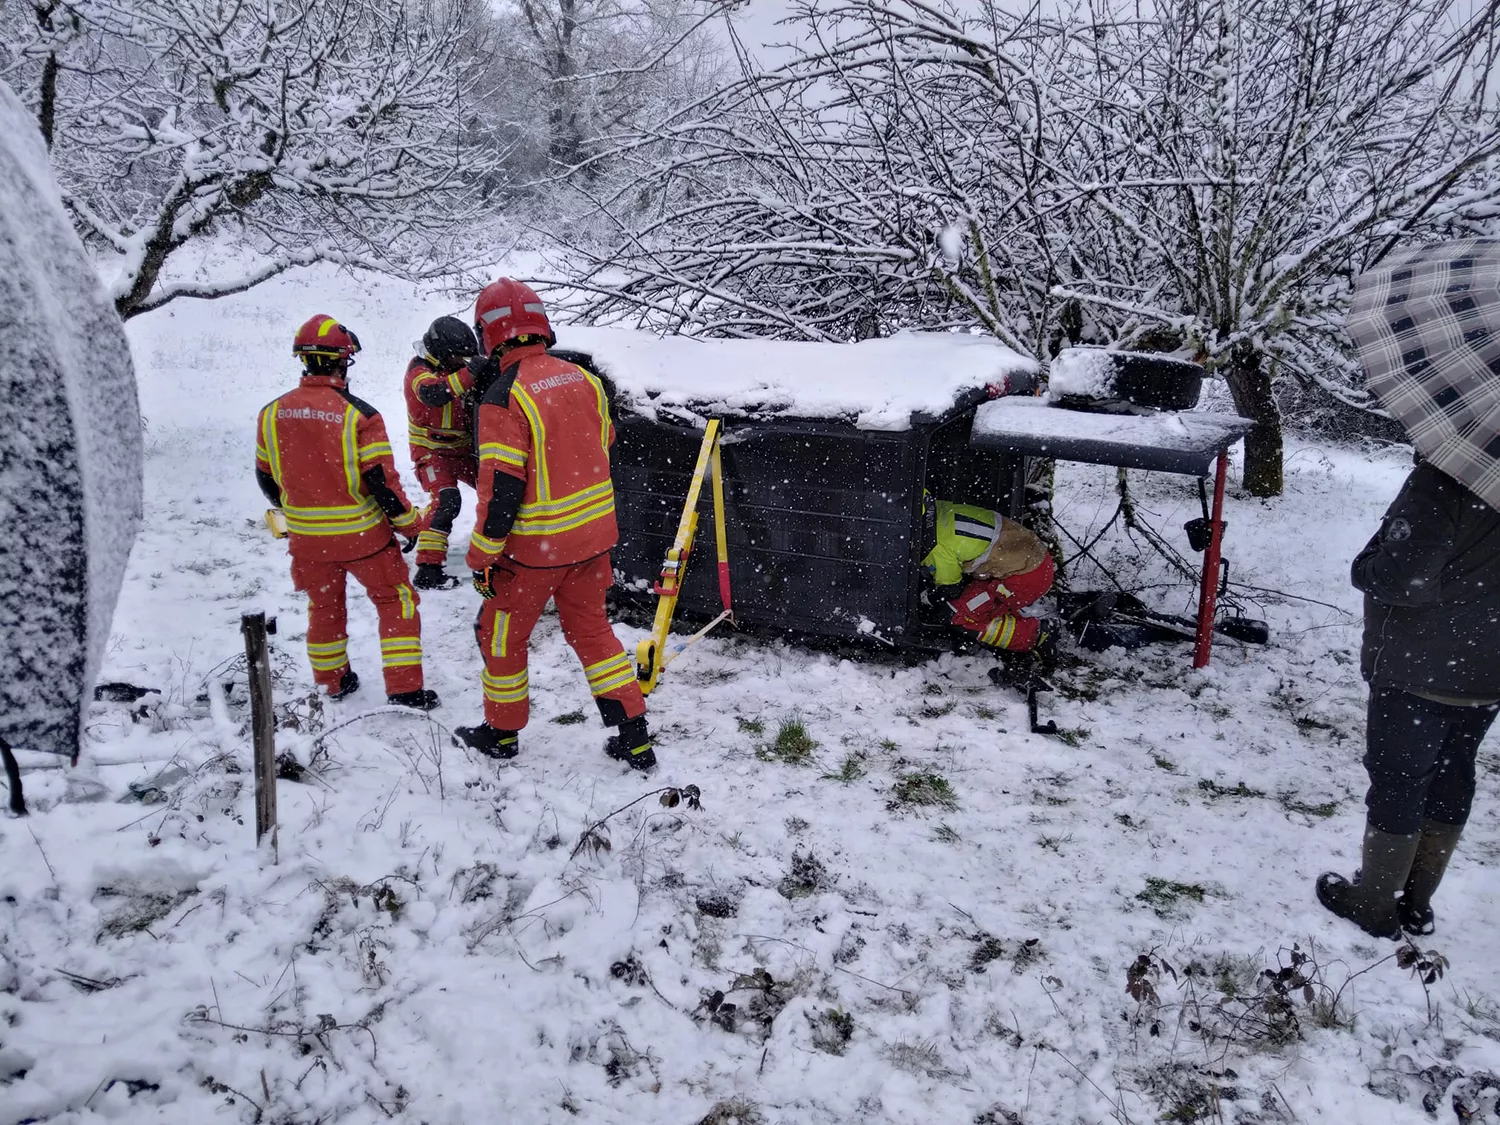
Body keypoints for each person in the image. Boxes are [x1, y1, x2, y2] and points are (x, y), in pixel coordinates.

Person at [452, 279, 654, 770]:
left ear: (488, 334)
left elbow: (500, 489)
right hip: (594, 539)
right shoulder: (583, 378)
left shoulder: (502, 398)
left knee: (499, 635)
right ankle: (635, 735)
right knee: (593, 632)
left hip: (533, 552)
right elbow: (600, 442)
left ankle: (501, 735)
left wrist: (482, 557)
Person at [1316, 456, 1500, 938]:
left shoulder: (1448, 475)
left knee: (1400, 778)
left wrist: (1366, 564)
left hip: (1420, 664)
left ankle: (1376, 903)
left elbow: (1404, 579)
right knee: (1454, 771)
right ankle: (1417, 903)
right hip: (1489, 669)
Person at [255, 314, 439, 710]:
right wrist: (410, 526)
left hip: (307, 542)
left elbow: (267, 478)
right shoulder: (361, 416)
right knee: (397, 603)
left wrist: (300, 511)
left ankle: (331, 681)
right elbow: (383, 485)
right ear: (342, 361)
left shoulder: (271, 414)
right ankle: (405, 689)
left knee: (323, 607)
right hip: (364, 540)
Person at [923, 495, 1058, 656]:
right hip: (1029, 560)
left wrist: (927, 598)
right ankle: (1011, 622)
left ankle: (1036, 636)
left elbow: (950, 587)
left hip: (1026, 577)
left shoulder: (935, 544)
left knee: (956, 614)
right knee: (978, 602)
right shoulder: (931, 507)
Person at [404, 316, 480, 590]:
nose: (465, 363)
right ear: (443, 353)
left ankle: (504, 549)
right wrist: (473, 373)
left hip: (464, 452)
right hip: (432, 452)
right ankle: (428, 568)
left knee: (499, 491)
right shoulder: (419, 372)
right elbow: (433, 393)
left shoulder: (454, 368)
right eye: (460, 358)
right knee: (447, 500)